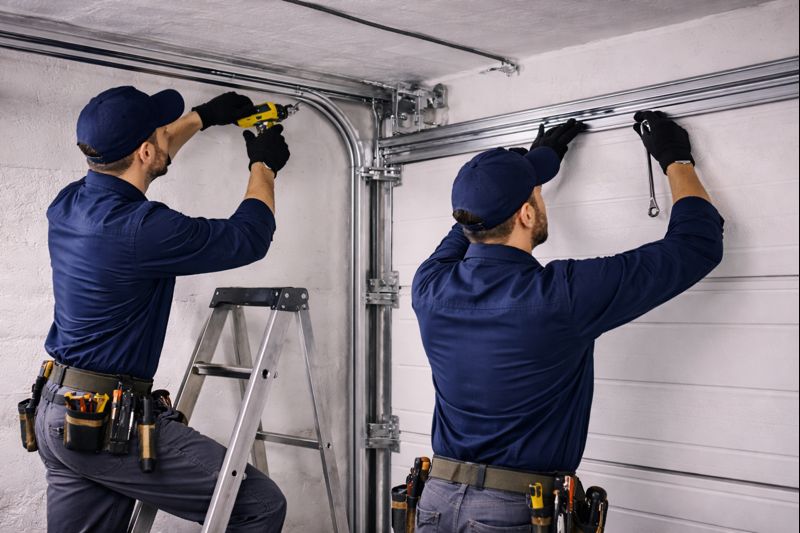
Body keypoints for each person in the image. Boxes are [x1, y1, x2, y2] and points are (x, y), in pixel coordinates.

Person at [411, 112, 724, 531]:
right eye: (536, 196)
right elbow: (696, 246)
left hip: (435, 502)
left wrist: (529, 167)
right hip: (509, 513)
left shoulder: (429, 286)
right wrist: (675, 158)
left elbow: (468, 226)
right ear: (526, 213)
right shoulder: (561, 296)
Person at [34, 86, 291, 532]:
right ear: (146, 150)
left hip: (61, 414)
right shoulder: (143, 228)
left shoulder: (68, 203)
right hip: (108, 421)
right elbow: (248, 238)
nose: (167, 135)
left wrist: (204, 116)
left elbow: (150, 148)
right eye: (160, 131)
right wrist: (263, 165)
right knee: (258, 503)